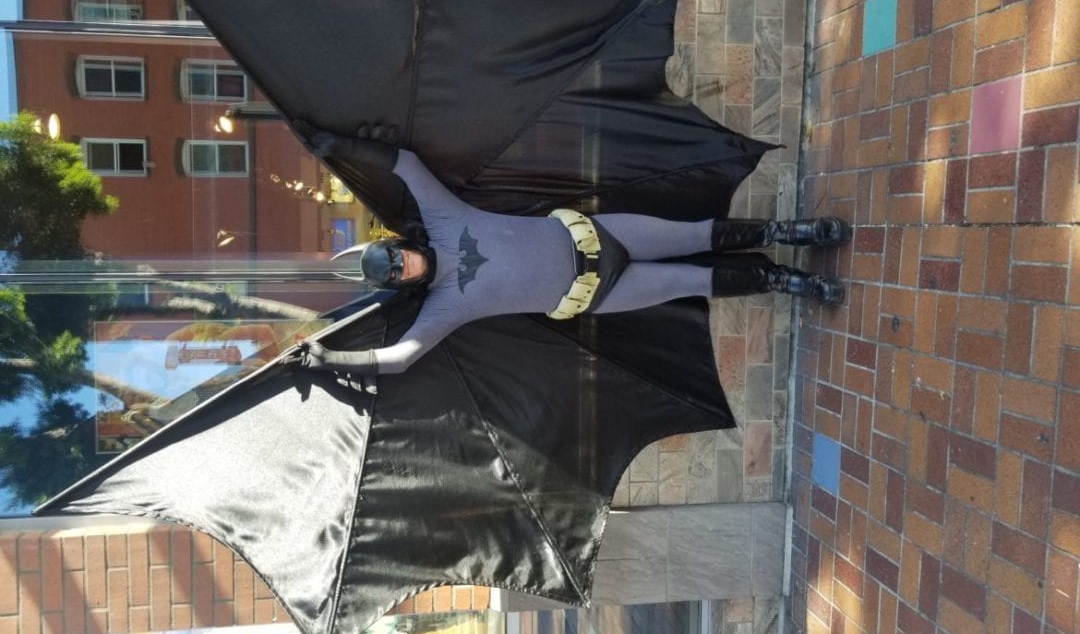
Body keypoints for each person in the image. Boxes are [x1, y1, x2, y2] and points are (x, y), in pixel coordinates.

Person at [287, 124, 850, 378]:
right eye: (396, 273)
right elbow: (401, 357)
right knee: (693, 281)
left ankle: (789, 232)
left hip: (605, 235)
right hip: (601, 293)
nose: (404, 264)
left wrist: (341, 146)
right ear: (401, 285)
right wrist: (331, 360)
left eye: (395, 255)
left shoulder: (443, 218)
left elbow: (405, 164)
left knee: (696, 235)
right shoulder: (443, 308)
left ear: (399, 243)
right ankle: (782, 282)